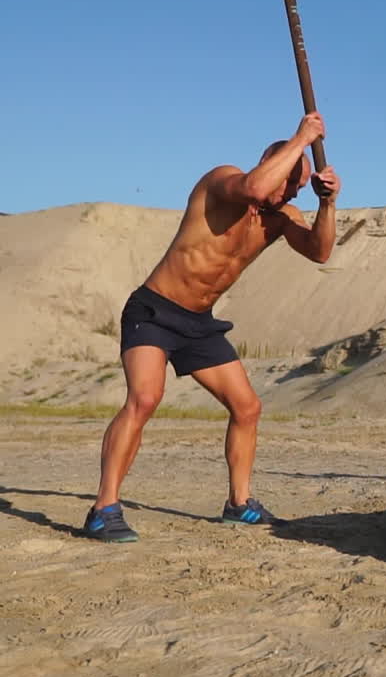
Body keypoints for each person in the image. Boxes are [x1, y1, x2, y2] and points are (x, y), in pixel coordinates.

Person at [83, 113, 342, 543]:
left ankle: (239, 504)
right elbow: (256, 187)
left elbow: (320, 251)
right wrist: (303, 138)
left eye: (297, 189)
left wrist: (328, 204)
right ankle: (103, 509)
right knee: (144, 398)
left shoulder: (282, 217)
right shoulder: (222, 181)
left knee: (247, 407)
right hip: (154, 310)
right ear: (268, 162)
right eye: (288, 183)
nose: (289, 194)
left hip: (199, 324)